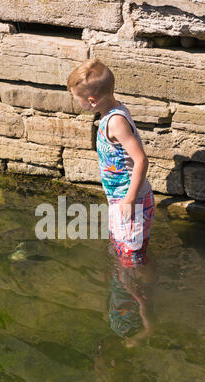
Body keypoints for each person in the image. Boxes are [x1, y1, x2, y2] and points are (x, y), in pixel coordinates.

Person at [67, 58, 155, 270]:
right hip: (120, 199)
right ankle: (126, 297)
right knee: (121, 251)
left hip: (130, 201)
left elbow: (141, 159)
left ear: (92, 99)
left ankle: (142, 298)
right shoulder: (111, 112)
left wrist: (130, 200)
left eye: (77, 99)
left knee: (132, 260)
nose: (77, 102)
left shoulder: (116, 122)